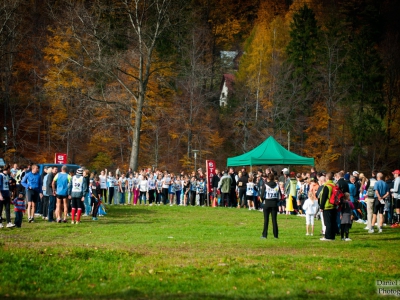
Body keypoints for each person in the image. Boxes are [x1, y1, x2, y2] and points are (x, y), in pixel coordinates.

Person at [260, 173, 281, 239]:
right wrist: (276, 201)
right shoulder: (277, 185)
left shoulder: (265, 185)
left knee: (266, 220)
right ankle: (275, 235)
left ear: (268, 178)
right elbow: (279, 196)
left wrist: (263, 201)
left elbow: (261, 195)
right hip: (274, 203)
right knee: (274, 220)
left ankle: (264, 235)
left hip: (267, 203)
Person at [319, 172, 337, 241]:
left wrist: (321, 207)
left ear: (327, 178)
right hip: (334, 205)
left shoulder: (327, 186)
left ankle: (328, 236)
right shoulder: (334, 185)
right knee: (332, 221)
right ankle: (332, 236)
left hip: (327, 206)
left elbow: (324, 197)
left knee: (327, 222)